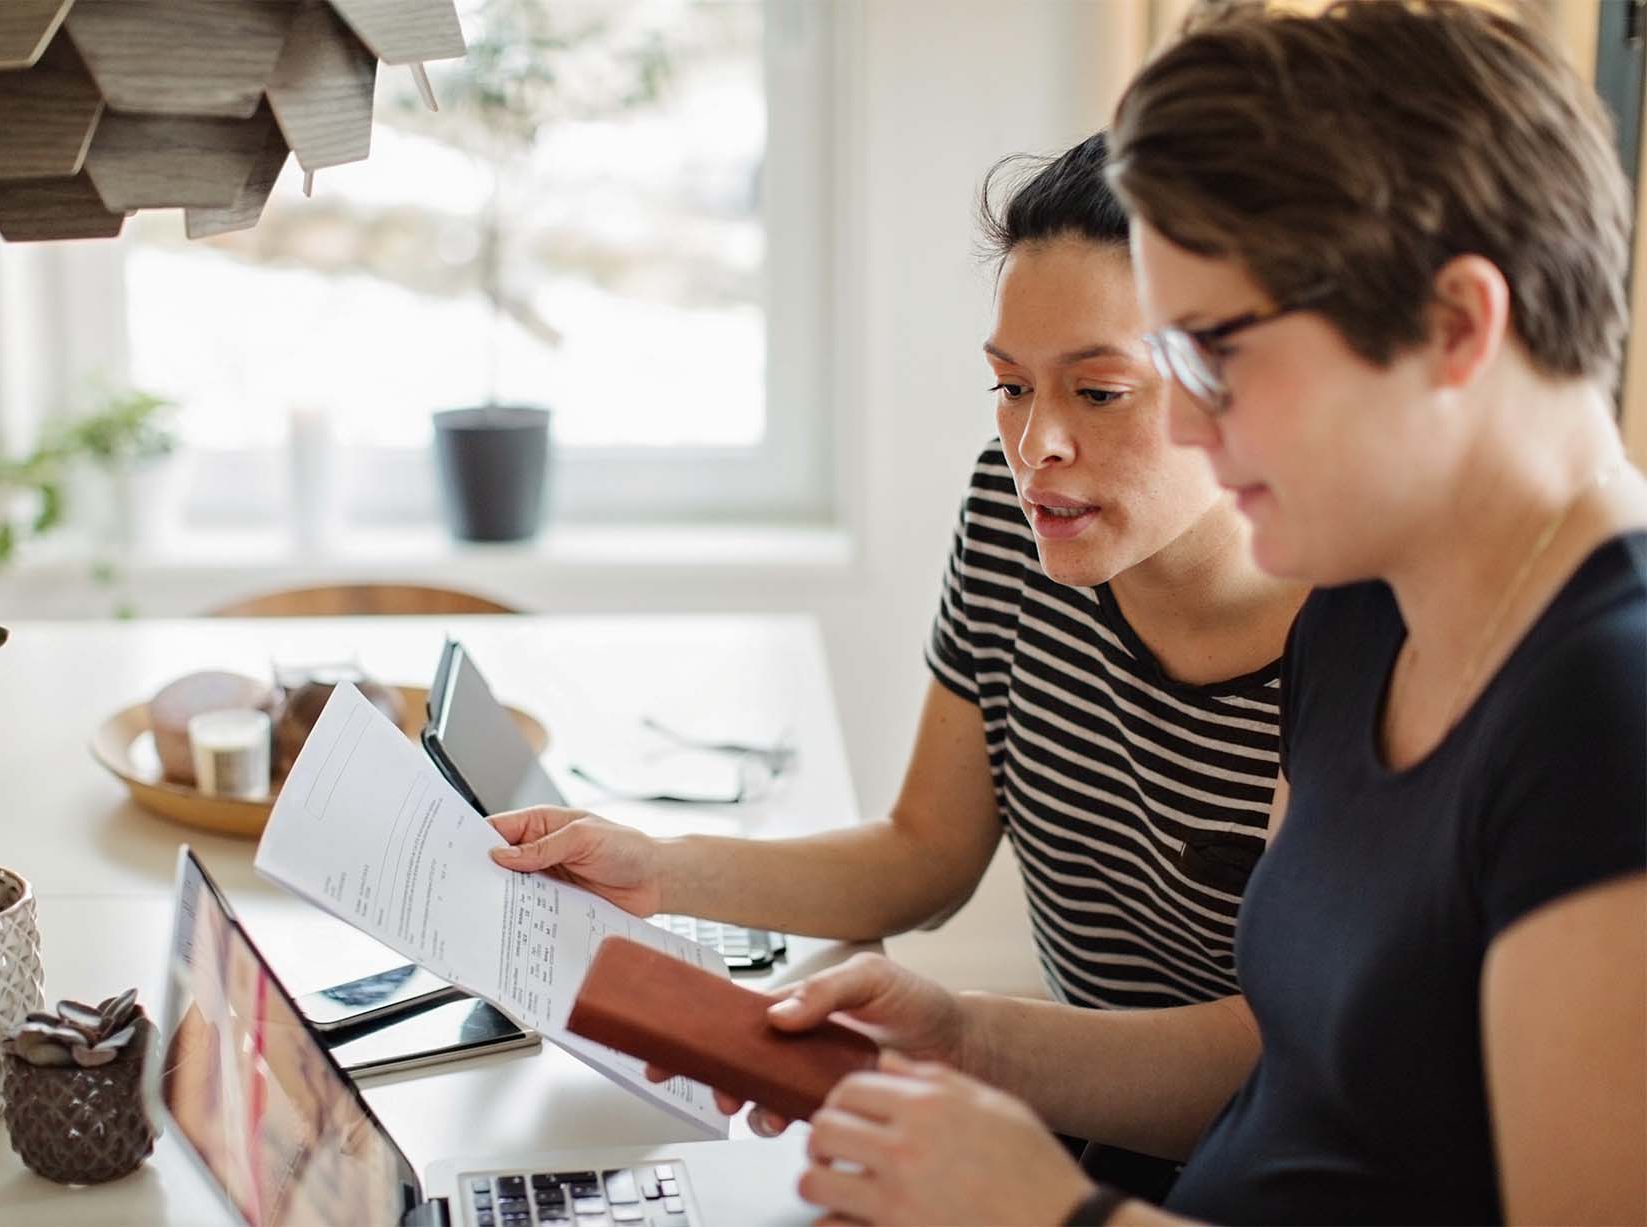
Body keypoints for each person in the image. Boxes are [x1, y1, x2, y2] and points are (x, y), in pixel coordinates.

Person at [639, 3, 1645, 1224]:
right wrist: (967, 1042)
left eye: (1217, 359)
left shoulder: (1608, 712)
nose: (1185, 424)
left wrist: (1057, 1215)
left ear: (1453, 328)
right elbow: (1286, 1079)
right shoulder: (1365, 616)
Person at [489, 132, 1307, 1024]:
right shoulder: (1015, 508)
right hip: (1076, 1129)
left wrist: (962, 1042)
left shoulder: (1356, 628)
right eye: (1011, 386)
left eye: (1099, 392)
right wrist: (658, 865)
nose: (1037, 448)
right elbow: (924, 855)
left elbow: (1285, 1058)